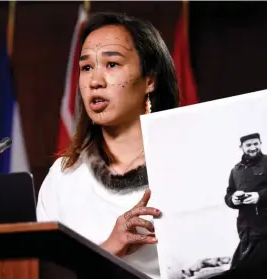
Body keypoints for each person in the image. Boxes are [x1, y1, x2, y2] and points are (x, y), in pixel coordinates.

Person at [36, 11, 179, 279]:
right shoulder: (62, 177)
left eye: (112, 64)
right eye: (87, 67)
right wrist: (112, 247)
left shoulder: (187, 163)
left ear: (149, 80)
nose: (95, 81)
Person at [222, 133, 267, 279]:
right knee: (255, 268)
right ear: (241, 147)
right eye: (248, 145)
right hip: (246, 230)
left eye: (256, 143)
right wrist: (233, 200)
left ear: (261, 143)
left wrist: (260, 196)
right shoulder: (236, 170)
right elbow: (229, 194)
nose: (253, 147)